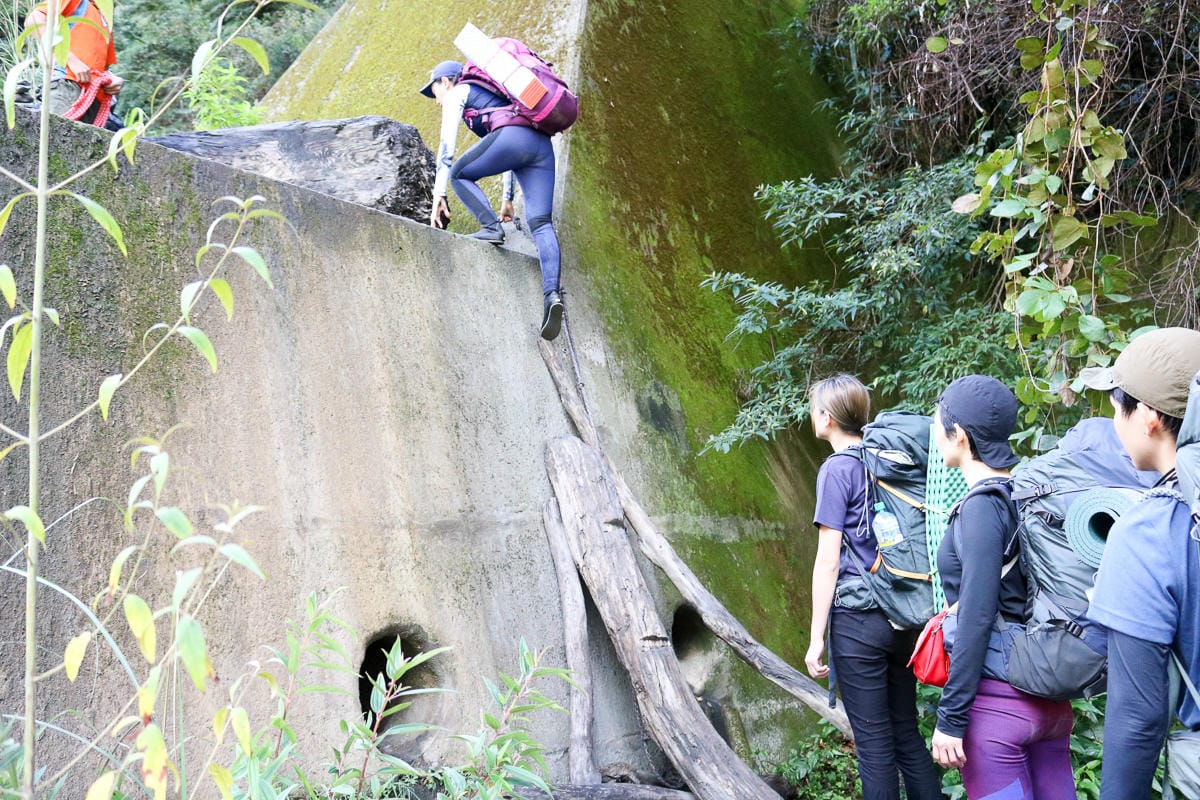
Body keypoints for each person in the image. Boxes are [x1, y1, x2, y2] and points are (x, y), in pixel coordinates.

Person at [930, 374, 1075, 799]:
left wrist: (951, 717)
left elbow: (976, 616)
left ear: (959, 436)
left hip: (998, 708)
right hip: (1051, 703)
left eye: (938, 424)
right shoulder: (1026, 498)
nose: (935, 434)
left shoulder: (981, 507)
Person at [804, 374, 940, 800]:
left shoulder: (837, 469)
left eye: (815, 409)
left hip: (858, 621)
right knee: (906, 733)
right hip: (904, 617)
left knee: (874, 745)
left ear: (827, 418)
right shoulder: (889, 461)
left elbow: (828, 562)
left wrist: (816, 638)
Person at [1081, 327, 1200, 799]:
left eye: (1116, 407)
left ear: (1148, 417)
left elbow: (1138, 717)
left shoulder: (1150, 530)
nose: (1115, 421)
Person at [418, 59, 564, 341]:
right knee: (541, 223)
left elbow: (447, 149)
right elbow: (508, 134)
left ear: (445, 82)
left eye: (435, 92)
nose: (436, 101)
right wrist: (507, 198)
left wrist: (439, 194)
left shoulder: (460, 91)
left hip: (514, 141)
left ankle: (491, 228)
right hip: (540, 146)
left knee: (459, 173)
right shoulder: (495, 95)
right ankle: (552, 297)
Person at [25, 0, 124, 131]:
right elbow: (34, 20)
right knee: (57, 138)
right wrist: (71, 60)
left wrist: (113, 80)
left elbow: (102, 66)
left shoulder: (104, 17)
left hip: (94, 98)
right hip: (67, 86)